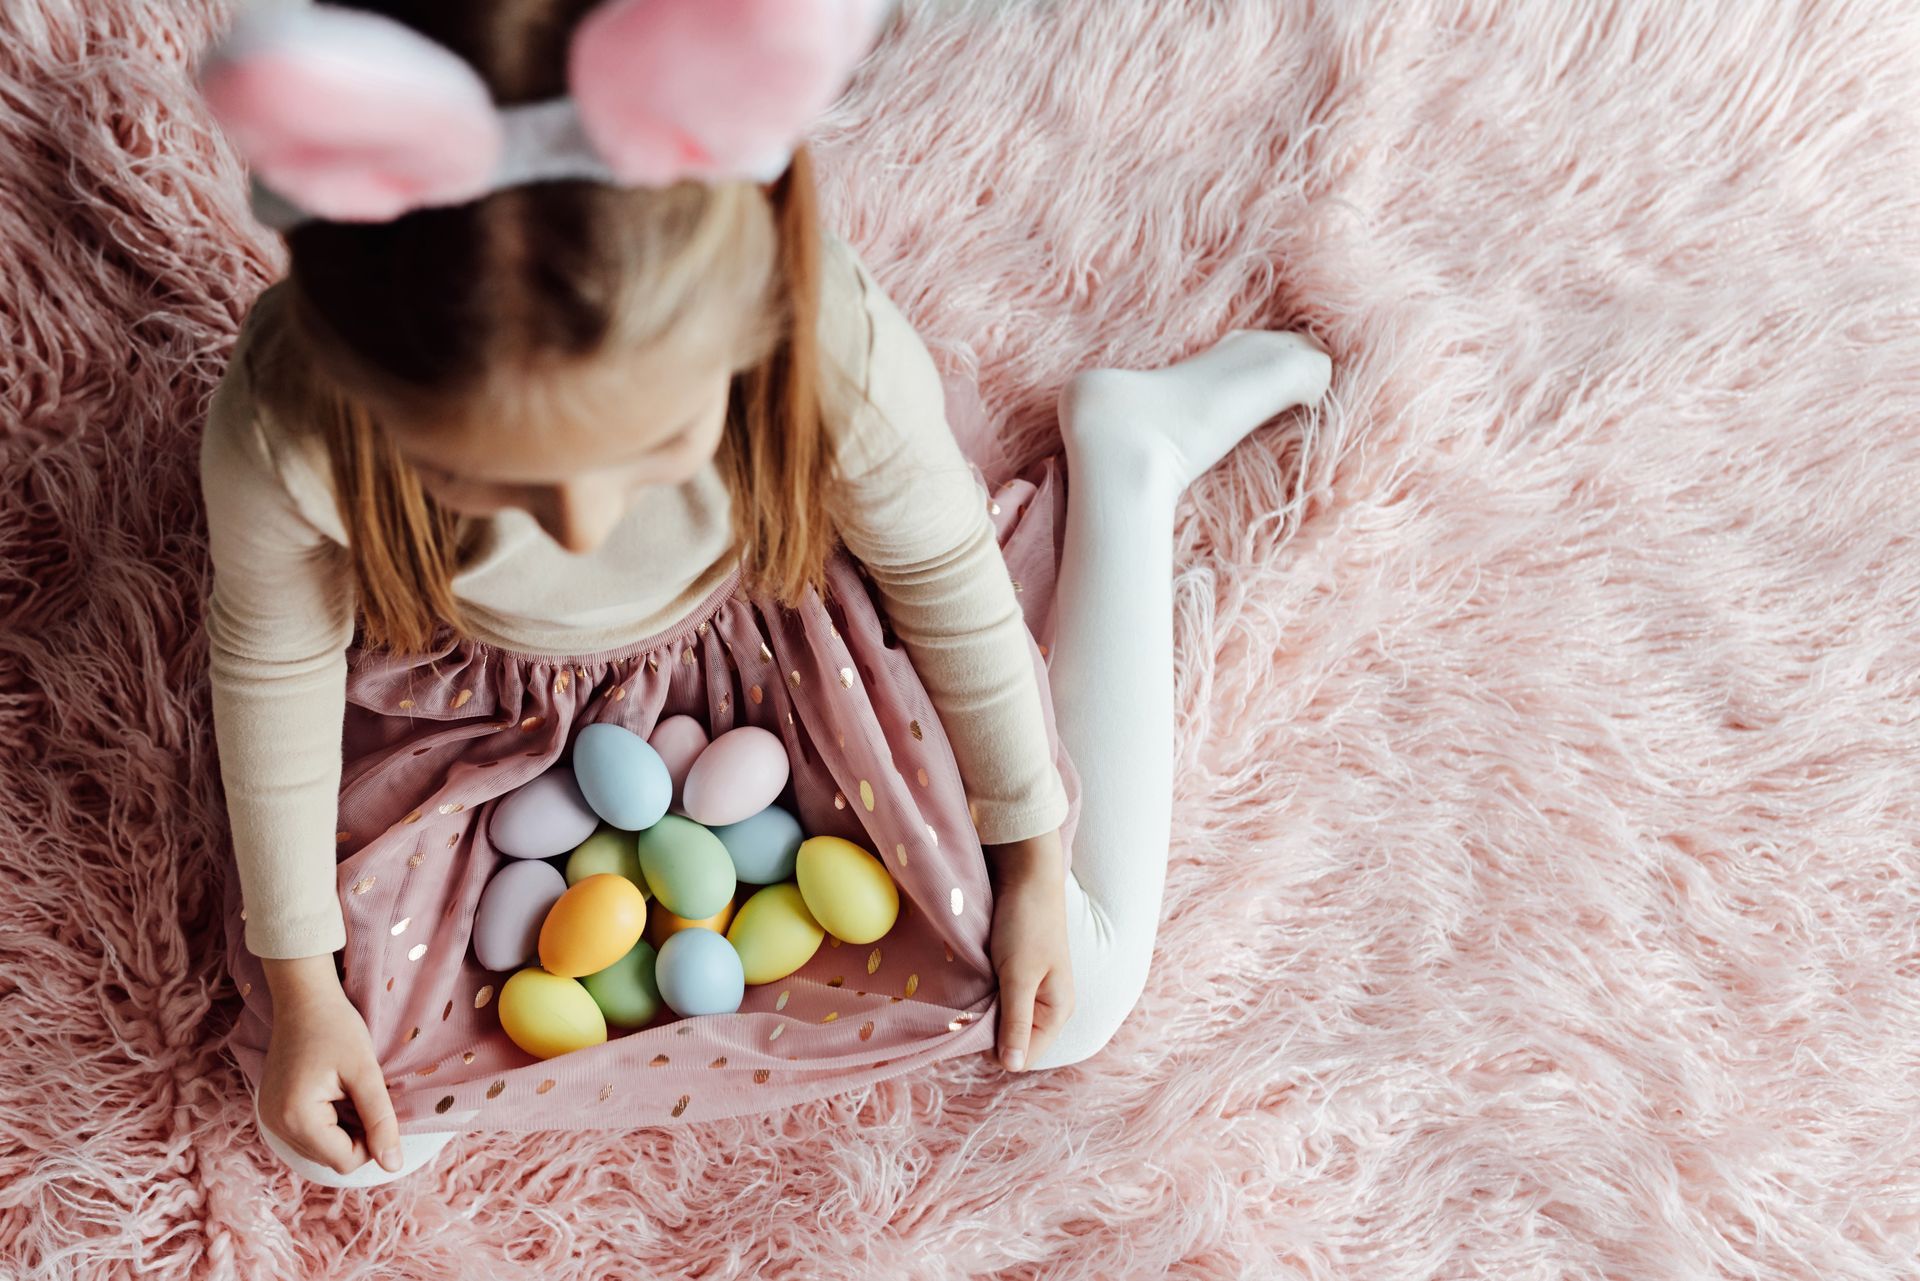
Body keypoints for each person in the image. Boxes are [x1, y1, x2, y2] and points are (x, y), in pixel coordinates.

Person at [197, 0, 1332, 1187]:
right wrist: (303, 983)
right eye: (493, 486)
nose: (580, 527)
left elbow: (940, 572)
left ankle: (1131, 463)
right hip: (492, 724)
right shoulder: (295, 423)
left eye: (644, 460)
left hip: (783, 655)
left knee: (1077, 992)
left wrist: (1034, 856)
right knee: (345, 1138)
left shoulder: (811, 337)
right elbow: (272, 664)